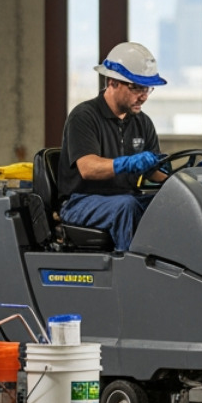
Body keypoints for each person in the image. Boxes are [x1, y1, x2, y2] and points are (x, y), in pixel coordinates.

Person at [58, 42, 167, 252]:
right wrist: (127, 163)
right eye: (136, 87)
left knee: (171, 205)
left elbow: (154, 171)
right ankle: (132, 276)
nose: (143, 96)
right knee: (127, 206)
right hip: (80, 202)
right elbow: (88, 168)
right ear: (112, 82)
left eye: (147, 88)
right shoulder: (84, 117)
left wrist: (188, 180)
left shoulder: (142, 122)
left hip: (127, 197)